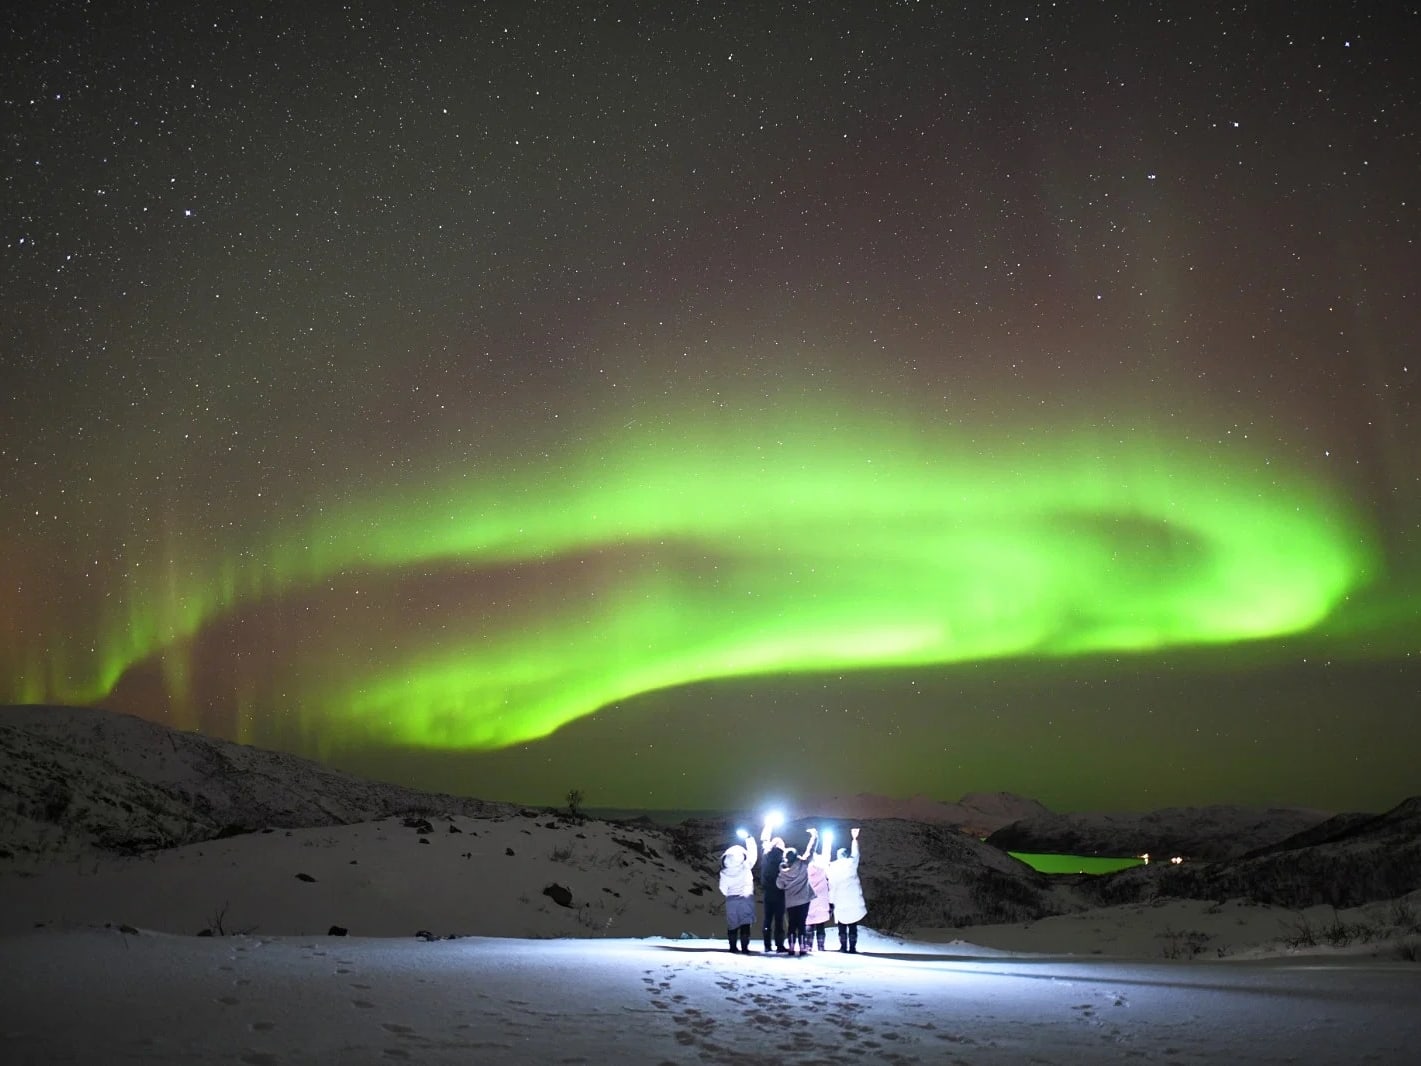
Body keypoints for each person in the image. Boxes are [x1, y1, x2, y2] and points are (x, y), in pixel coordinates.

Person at [775, 829, 816, 956]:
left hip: (791, 902)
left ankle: (792, 947)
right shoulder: (803, 864)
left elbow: (779, 885)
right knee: (802, 924)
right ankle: (803, 947)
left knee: (792, 924)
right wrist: (815, 836)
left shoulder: (783, 871)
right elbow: (811, 851)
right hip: (804, 900)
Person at [828, 826, 867, 953]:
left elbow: (831, 885)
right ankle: (853, 947)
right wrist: (854, 839)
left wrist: (831, 901)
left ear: (838, 856)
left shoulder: (832, 868)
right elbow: (856, 854)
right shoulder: (851, 863)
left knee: (842, 925)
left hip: (839, 901)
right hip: (853, 899)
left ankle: (843, 947)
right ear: (846, 855)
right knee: (853, 924)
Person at [719, 829, 758, 953]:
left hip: (731, 899)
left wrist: (730, 894)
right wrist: (749, 838)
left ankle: (732, 947)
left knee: (732, 923)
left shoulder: (724, 872)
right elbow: (753, 854)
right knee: (745, 922)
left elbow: (723, 889)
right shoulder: (746, 866)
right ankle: (745, 948)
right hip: (746, 897)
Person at [759, 818, 788, 953]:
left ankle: (766, 945)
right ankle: (779, 945)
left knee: (767, 919)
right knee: (779, 920)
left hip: (767, 893)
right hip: (780, 893)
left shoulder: (765, 855)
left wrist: (769, 824)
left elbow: (764, 839)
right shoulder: (784, 859)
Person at [805, 828, 833, 952]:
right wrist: (828, 841)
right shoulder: (823, 868)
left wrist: (814, 838)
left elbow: (810, 852)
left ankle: (808, 945)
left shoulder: (807, 869)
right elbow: (827, 854)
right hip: (822, 898)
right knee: (821, 923)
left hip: (809, 898)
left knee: (809, 922)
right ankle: (821, 946)